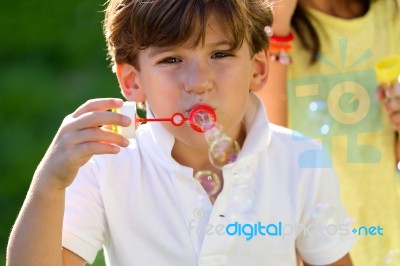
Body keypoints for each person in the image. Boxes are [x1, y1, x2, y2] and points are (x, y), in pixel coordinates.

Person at [6, 0, 355, 265]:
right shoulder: (105, 164)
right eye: (171, 60)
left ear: (259, 68)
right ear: (133, 81)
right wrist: (50, 184)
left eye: (221, 54)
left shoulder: (301, 161)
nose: (198, 82)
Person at [257, 0, 400, 265]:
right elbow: (267, 139)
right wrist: (276, 23)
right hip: (321, 250)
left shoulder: (392, 14)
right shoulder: (260, 31)